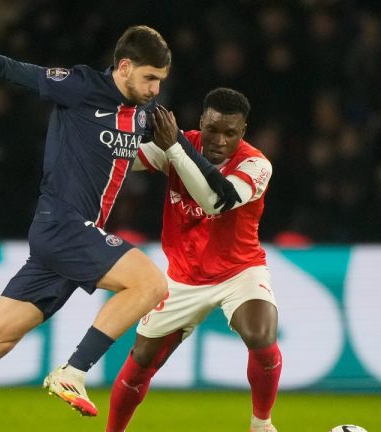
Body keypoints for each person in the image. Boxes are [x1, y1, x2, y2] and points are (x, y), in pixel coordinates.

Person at [0, 26, 241, 432]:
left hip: (70, 239)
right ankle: (74, 370)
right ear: (124, 67)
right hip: (63, 224)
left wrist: (217, 180)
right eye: (150, 78)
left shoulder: (145, 114)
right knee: (150, 284)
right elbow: (7, 68)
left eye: (161, 80)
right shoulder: (79, 86)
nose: (156, 89)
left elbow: (181, 146)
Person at [107, 88, 282, 432]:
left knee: (261, 335)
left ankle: (261, 424)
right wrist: (114, 132)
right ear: (201, 121)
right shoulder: (180, 141)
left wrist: (173, 148)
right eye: (212, 129)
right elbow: (127, 159)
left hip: (239, 271)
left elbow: (216, 201)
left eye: (230, 133)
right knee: (142, 360)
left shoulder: (256, 164)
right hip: (183, 277)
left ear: (243, 131)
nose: (220, 140)